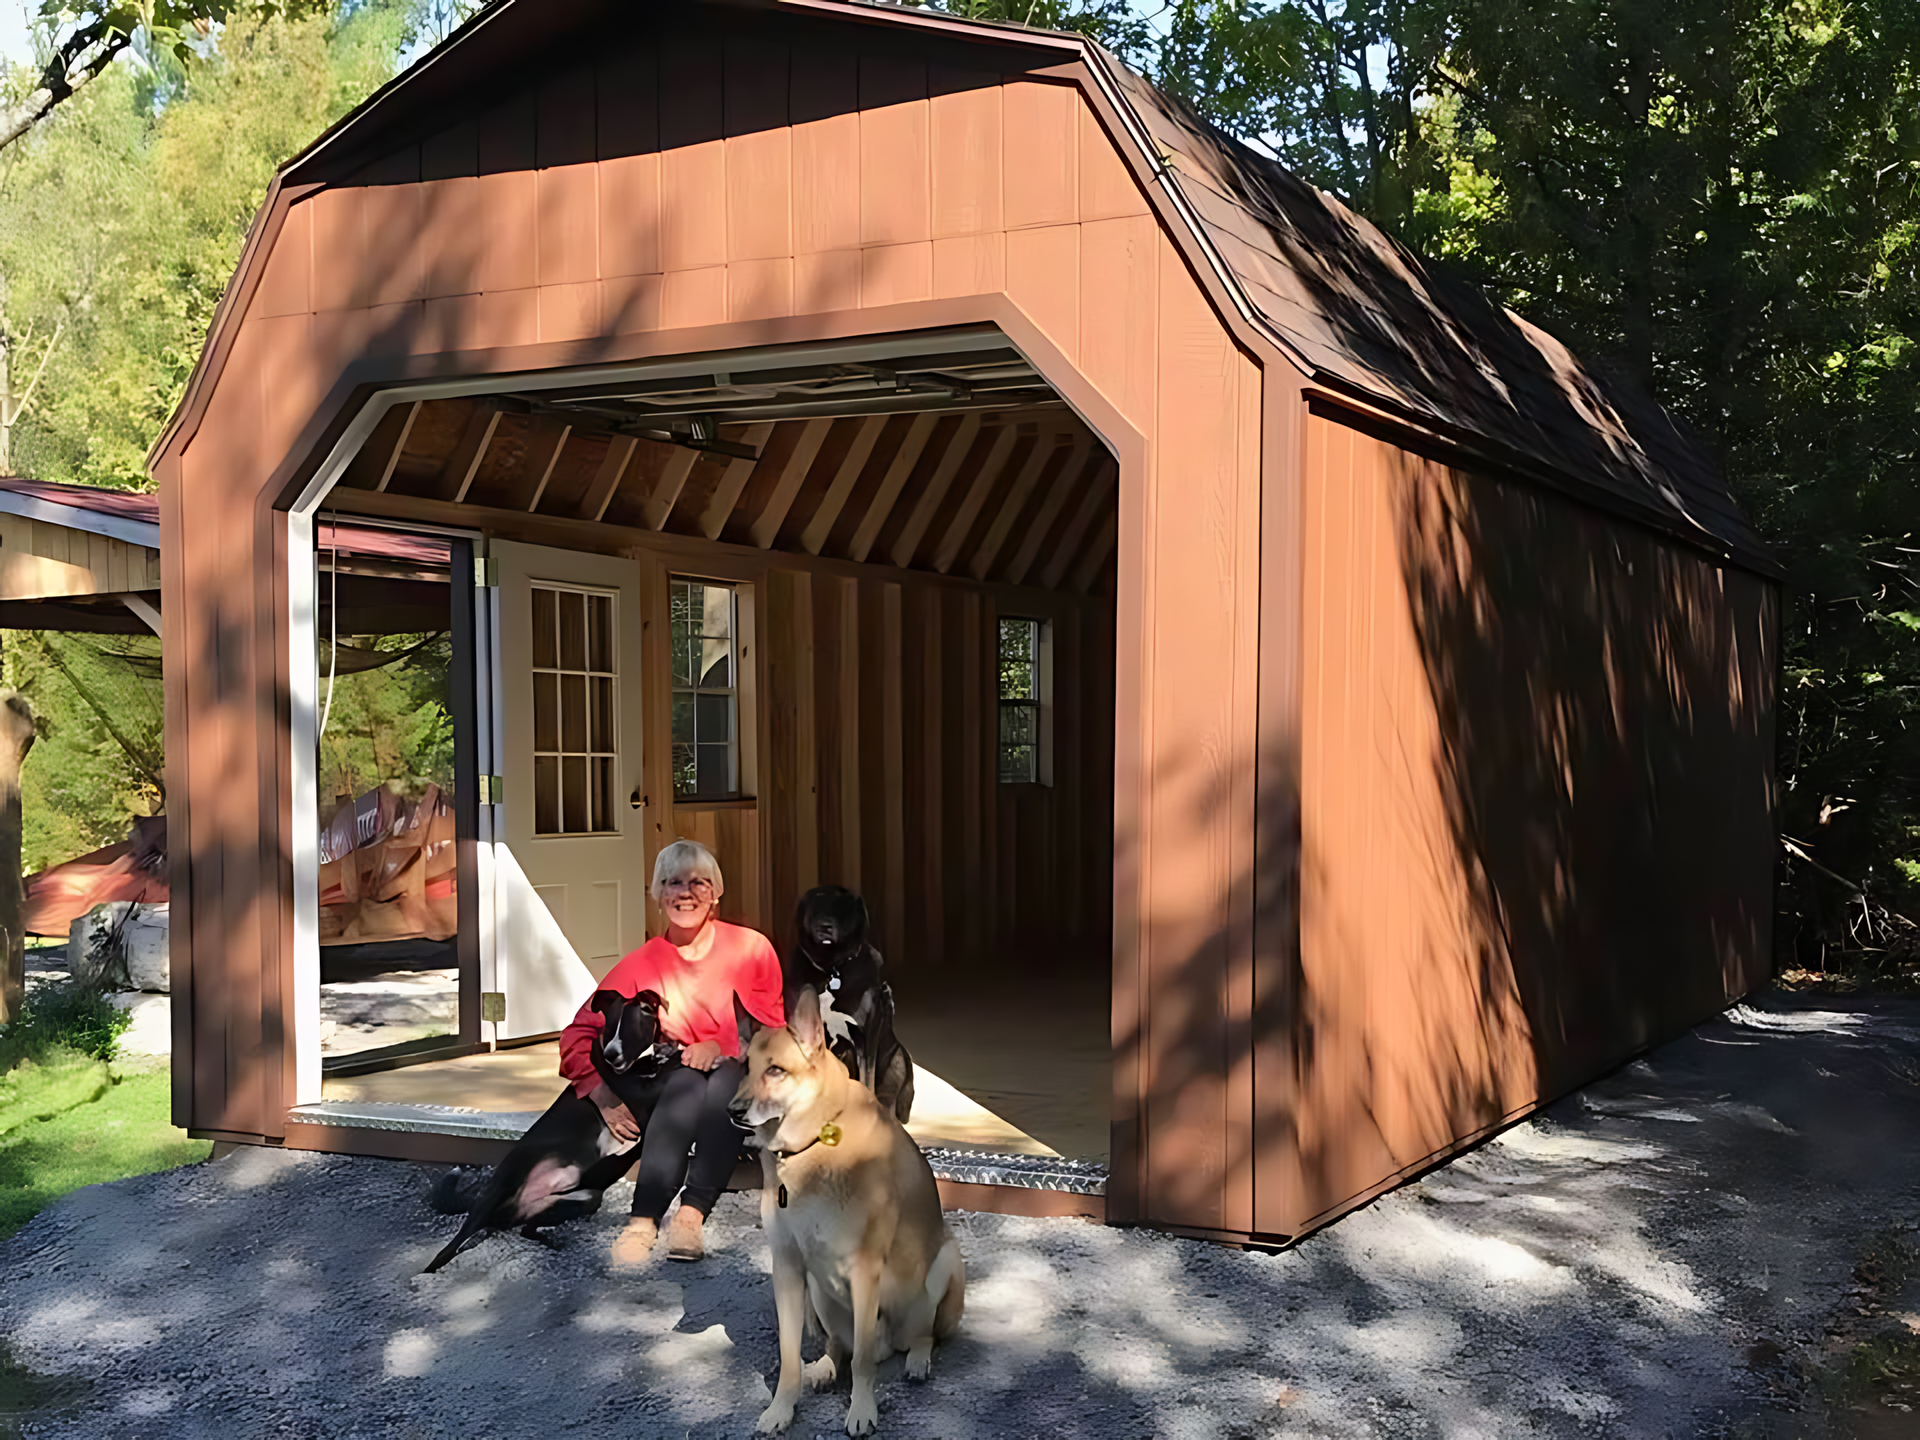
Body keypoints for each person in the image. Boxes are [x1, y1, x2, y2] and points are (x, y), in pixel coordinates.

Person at [556, 839, 784, 1265]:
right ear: (658, 894)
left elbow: (773, 1031)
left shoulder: (752, 948)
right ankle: (642, 1219)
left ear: (716, 892)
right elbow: (577, 1032)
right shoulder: (642, 964)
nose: (685, 892)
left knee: (724, 1085)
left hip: (741, 1067)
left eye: (698, 882)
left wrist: (721, 1046)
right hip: (682, 1071)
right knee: (684, 1087)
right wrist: (602, 1096)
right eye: (673, 882)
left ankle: (691, 1215)